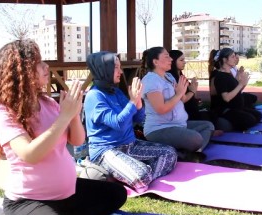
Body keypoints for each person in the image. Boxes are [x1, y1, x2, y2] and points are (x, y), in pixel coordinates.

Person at [0, 39, 127, 215]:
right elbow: (30, 154)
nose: (46, 65)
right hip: (28, 201)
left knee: (117, 194)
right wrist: (64, 116)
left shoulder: (47, 102)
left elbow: (78, 140)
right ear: (21, 72)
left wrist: (73, 115)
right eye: (39, 63)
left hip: (65, 195)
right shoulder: (4, 111)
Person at [84, 51, 177, 193]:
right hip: (107, 151)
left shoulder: (116, 92)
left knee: (170, 153)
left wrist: (138, 102)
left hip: (130, 145)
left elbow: (138, 119)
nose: (120, 71)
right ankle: (137, 173)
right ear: (104, 69)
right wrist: (133, 101)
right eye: (116, 67)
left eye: (119, 67)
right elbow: (118, 124)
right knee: (142, 176)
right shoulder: (94, 96)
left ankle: (130, 173)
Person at [141, 47, 216, 161]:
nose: (170, 59)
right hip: (160, 129)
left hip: (178, 124)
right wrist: (179, 93)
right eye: (166, 57)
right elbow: (161, 109)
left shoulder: (169, 77)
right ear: (155, 62)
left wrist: (191, 90)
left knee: (208, 126)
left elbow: (182, 98)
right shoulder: (151, 80)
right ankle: (185, 150)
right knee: (196, 139)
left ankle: (194, 152)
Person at [209, 48, 262, 131]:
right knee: (251, 120)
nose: (235, 59)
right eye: (233, 57)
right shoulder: (220, 76)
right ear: (225, 59)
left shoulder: (228, 74)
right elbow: (226, 98)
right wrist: (240, 84)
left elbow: (236, 90)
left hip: (236, 107)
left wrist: (242, 83)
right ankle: (226, 124)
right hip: (227, 110)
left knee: (258, 115)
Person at [167, 50, 200, 120]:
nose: (184, 62)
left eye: (184, 60)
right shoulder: (171, 78)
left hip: (190, 112)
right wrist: (192, 91)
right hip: (183, 115)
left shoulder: (181, 76)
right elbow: (182, 99)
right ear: (173, 61)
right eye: (181, 60)